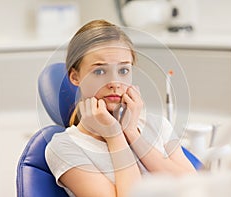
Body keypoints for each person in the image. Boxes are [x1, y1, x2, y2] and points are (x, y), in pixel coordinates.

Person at [45, 19, 196, 197]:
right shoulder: (64, 147)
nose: (114, 83)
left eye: (123, 70)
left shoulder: (158, 125)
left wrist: (132, 133)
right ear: (75, 77)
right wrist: (114, 135)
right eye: (100, 71)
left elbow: (194, 187)